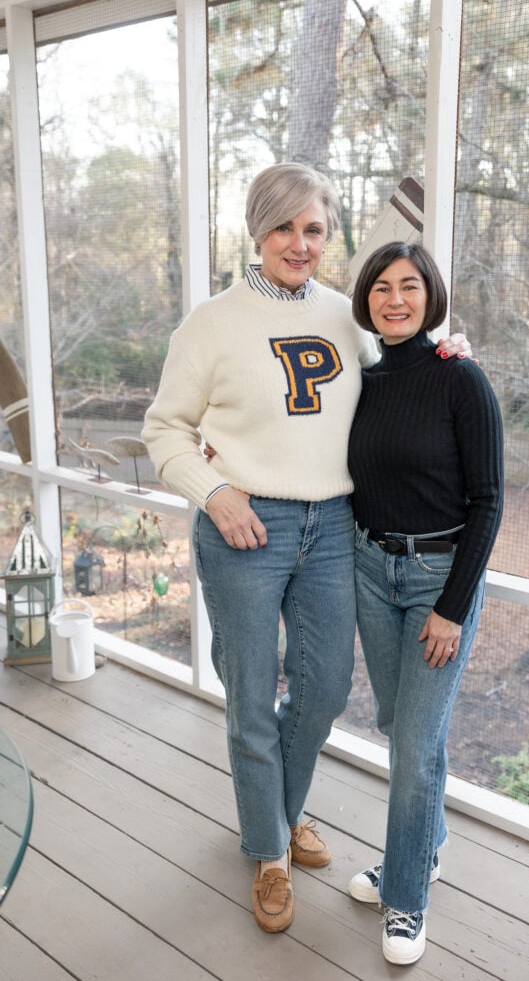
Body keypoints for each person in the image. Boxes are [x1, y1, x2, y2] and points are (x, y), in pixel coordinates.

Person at [142, 163, 472, 934]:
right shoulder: (209, 323)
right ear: (257, 231)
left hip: (333, 526)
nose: (299, 243)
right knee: (251, 693)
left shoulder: (344, 315)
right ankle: (269, 849)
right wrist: (213, 492)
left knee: (322, 689)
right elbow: (164, 427)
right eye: (284, 227)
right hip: (245, 527)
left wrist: (448, 349)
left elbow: (403, 368)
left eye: (313, 229)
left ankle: (281, 811)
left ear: (328, 236)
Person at [346, 240, 504, 965]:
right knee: (398, 724)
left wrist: (452, 606)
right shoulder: (363, 382)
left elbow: (488, 500)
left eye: (409, 285)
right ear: (366, 300)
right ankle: (427, 844)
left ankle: (406, 895)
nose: (395, 299)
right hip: (369, 569)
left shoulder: (461, 378)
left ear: (430, 296)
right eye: (381, 287)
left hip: (438, 582)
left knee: (413, 745)